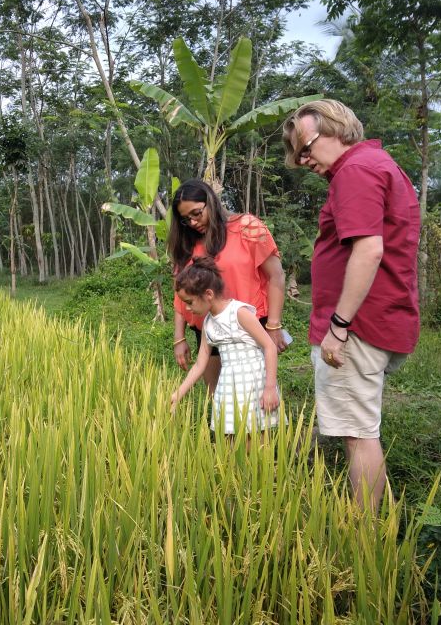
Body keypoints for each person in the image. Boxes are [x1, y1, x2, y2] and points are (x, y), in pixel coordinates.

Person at [282, 99, 421, 510]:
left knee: (358, 435)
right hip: (378, 319)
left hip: (357, 327)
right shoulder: (375, 164)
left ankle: (364, 541)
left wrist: (338, 327)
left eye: (306, 147)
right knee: (358, 429)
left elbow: (369, 251)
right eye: (297, 154)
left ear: (336, 130)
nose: (303, 159)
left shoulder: (356, 171)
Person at [169, 179, 287, 397]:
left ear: (211, 201)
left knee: (256, 394)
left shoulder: (247, 228)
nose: (193, 222)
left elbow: (276, 276)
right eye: (186, 219)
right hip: (208, 330)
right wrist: (179, 337)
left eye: (197, 213)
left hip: (249, 326)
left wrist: (273, 325)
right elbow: (181, 296)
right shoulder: (187, 243)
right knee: (218, 398)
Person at [170, 257, 280, 436]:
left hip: (253, 382)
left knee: (253, 439)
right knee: (228, 436)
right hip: (228, 385)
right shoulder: (208, 323)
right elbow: (200, 364)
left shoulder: (239, 312)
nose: (188, 309)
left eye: (190, 302)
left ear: (208, 294)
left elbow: (269, 347)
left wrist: (270, 387)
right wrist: (178, 393)